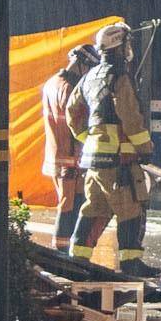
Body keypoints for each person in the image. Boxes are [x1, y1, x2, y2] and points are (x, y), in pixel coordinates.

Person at [68, 22, 157, 270]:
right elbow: (129, 114)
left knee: (94, 208)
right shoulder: (120, 76)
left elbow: (72, 112)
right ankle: (131, 263)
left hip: (94, 160)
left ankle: (78, 258)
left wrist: (90, 138)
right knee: (131, 209)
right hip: (120, 161)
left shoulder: (89, 76)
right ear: (120, 47)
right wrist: (145, 146)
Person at [41, 40, 97, 245]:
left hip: (57, 156)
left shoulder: (51, 83)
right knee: (69, 208)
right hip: (70, 159)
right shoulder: (71, 89)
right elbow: (77, 126)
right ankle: (62, 252)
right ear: (83, 64)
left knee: (71, 205)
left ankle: (65, 248)